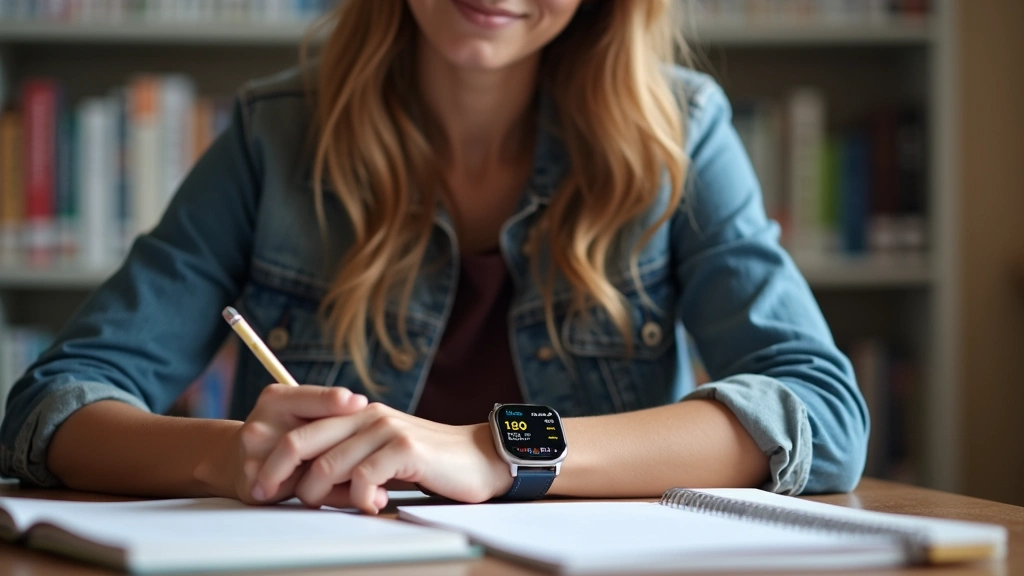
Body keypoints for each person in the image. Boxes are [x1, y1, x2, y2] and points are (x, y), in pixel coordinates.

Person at [0, 0, 867, 515]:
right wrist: (221, 454)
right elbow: (52, 408)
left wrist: (497, 450)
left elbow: (823, 413)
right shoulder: (277, 135)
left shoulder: (677, 131)